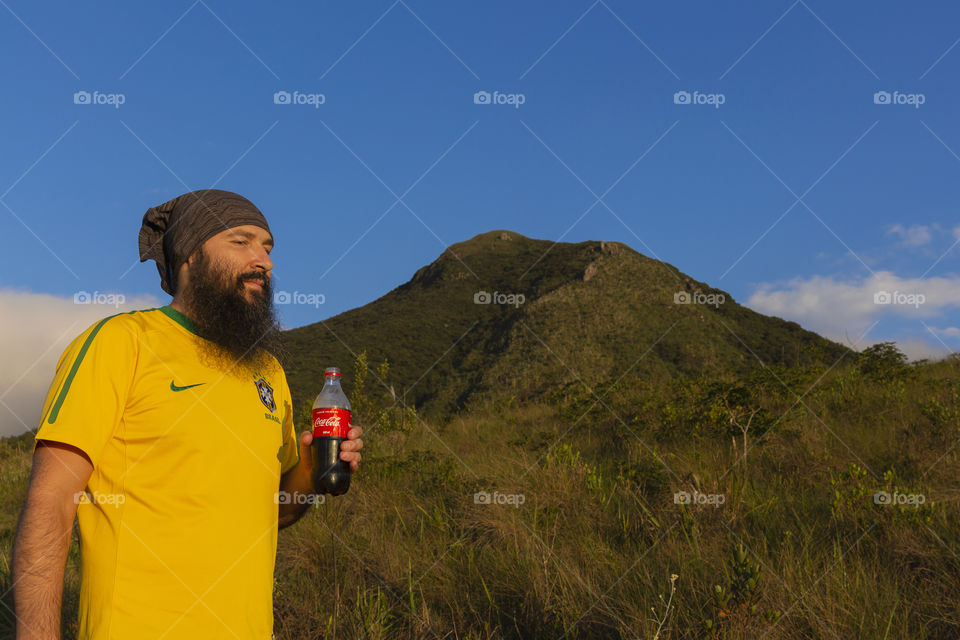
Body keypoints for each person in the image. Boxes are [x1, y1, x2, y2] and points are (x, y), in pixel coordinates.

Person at [12, 189, 363, 639]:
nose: (264, 261)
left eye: (268, 247)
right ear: (190, 256)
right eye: (242, 242)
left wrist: (313, 472)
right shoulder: (122, 343)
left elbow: (272, 510)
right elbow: (51, 500)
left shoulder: (268, 372)